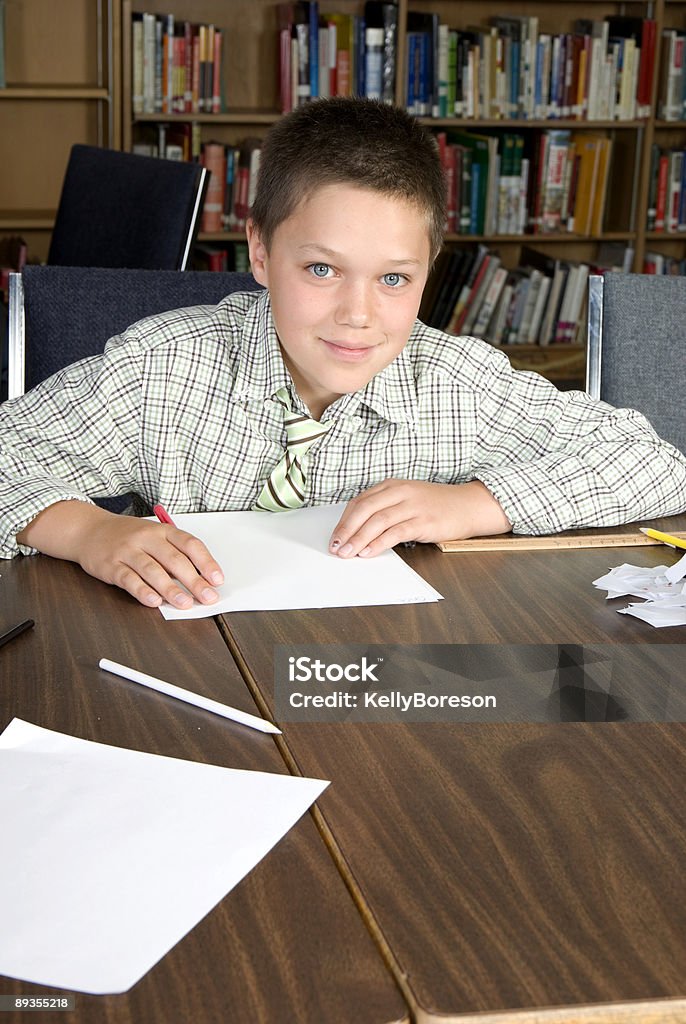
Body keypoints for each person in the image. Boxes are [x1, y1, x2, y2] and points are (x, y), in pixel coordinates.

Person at [1, 98, 685, 610]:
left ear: (428, 268)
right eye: (322, 270)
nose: (358, 316)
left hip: (373, 683)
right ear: (261, 252)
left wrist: (476, 505)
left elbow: (655, 464)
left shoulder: (456, 382)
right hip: (196, 662)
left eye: (393, 279)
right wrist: (90, 533)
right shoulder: (161, 371)